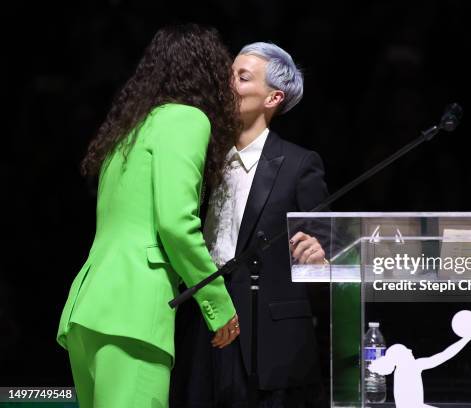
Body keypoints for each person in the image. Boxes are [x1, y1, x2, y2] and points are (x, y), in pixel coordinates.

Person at [56, 24, 241, 408]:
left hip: (89, 309)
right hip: (135, 313)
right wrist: (219, 306)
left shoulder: (128, 129)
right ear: (207, 73)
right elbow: (175, 223)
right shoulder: (188, 119)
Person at [170, 42, 328, 408]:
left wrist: (318, 256)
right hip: (200, 322)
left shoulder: (299, 164)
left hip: (265, 335)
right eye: (228, 76)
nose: (229, 85)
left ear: (273, 98)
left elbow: (324, 242)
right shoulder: (201, 155)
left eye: (242, 78)